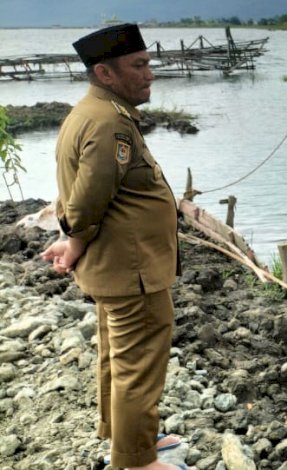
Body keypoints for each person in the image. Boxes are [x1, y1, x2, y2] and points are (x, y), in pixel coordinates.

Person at [39, 24, 189, 470]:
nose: (150, 75)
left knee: (117, 356)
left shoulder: (93, 112)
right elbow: (85, 203)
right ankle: (135, 461)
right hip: (132, 268)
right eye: (139, 66)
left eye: (148, 64)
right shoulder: (108, 124)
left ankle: (126, 437)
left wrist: (73, 242)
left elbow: (82, 195)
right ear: (105, 73)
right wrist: (74, 239)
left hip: (119, 265)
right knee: (138, 364)